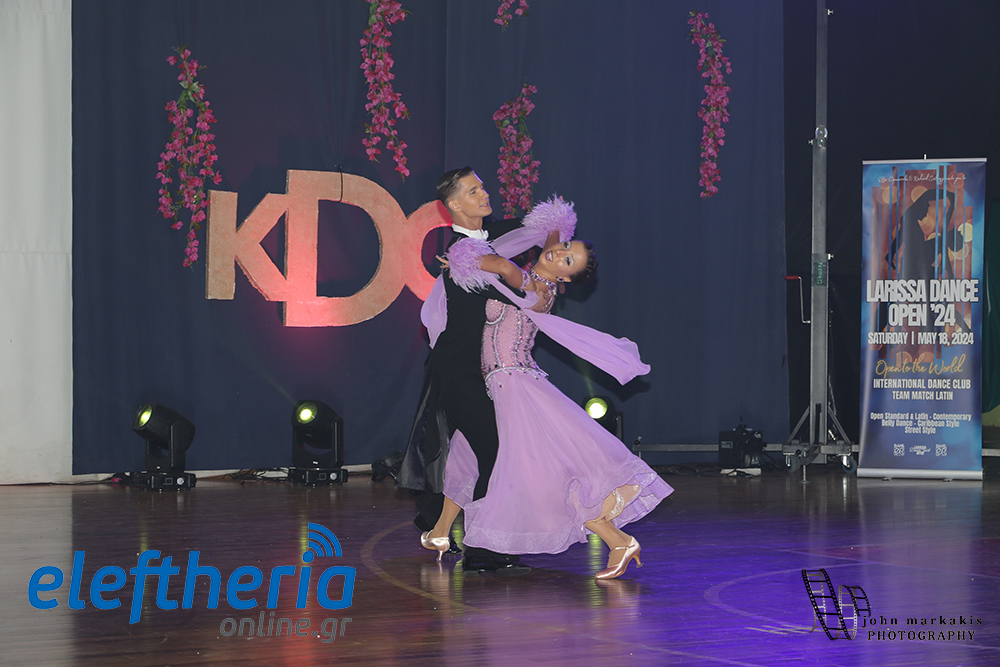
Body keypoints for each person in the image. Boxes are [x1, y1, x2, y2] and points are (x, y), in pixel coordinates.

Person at [419, 198, 673, 579]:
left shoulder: (537, 290)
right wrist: (557, 226)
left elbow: (503, 267)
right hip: (497, 383)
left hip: (515, 386)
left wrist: (464, 258)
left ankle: (618, 540)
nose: (558, 253)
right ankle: (440, 532)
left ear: (565, 279)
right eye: (566, 247)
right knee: (466, 452)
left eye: (567, 260)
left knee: (544, 474)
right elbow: (550, 235)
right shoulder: (536, 273)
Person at [398, 167, 567, 573]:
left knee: (478, 452)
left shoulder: (487, 243)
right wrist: (522, 275)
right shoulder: (462, 254)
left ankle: (445, 526)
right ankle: (483, 547)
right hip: (459, 372)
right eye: (473, 191)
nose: (484, 194)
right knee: (496, 449)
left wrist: (546, 266)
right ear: (454, 205)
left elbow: (556, 222)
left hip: (486, 371)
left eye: (482, 187)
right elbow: (517, 286)